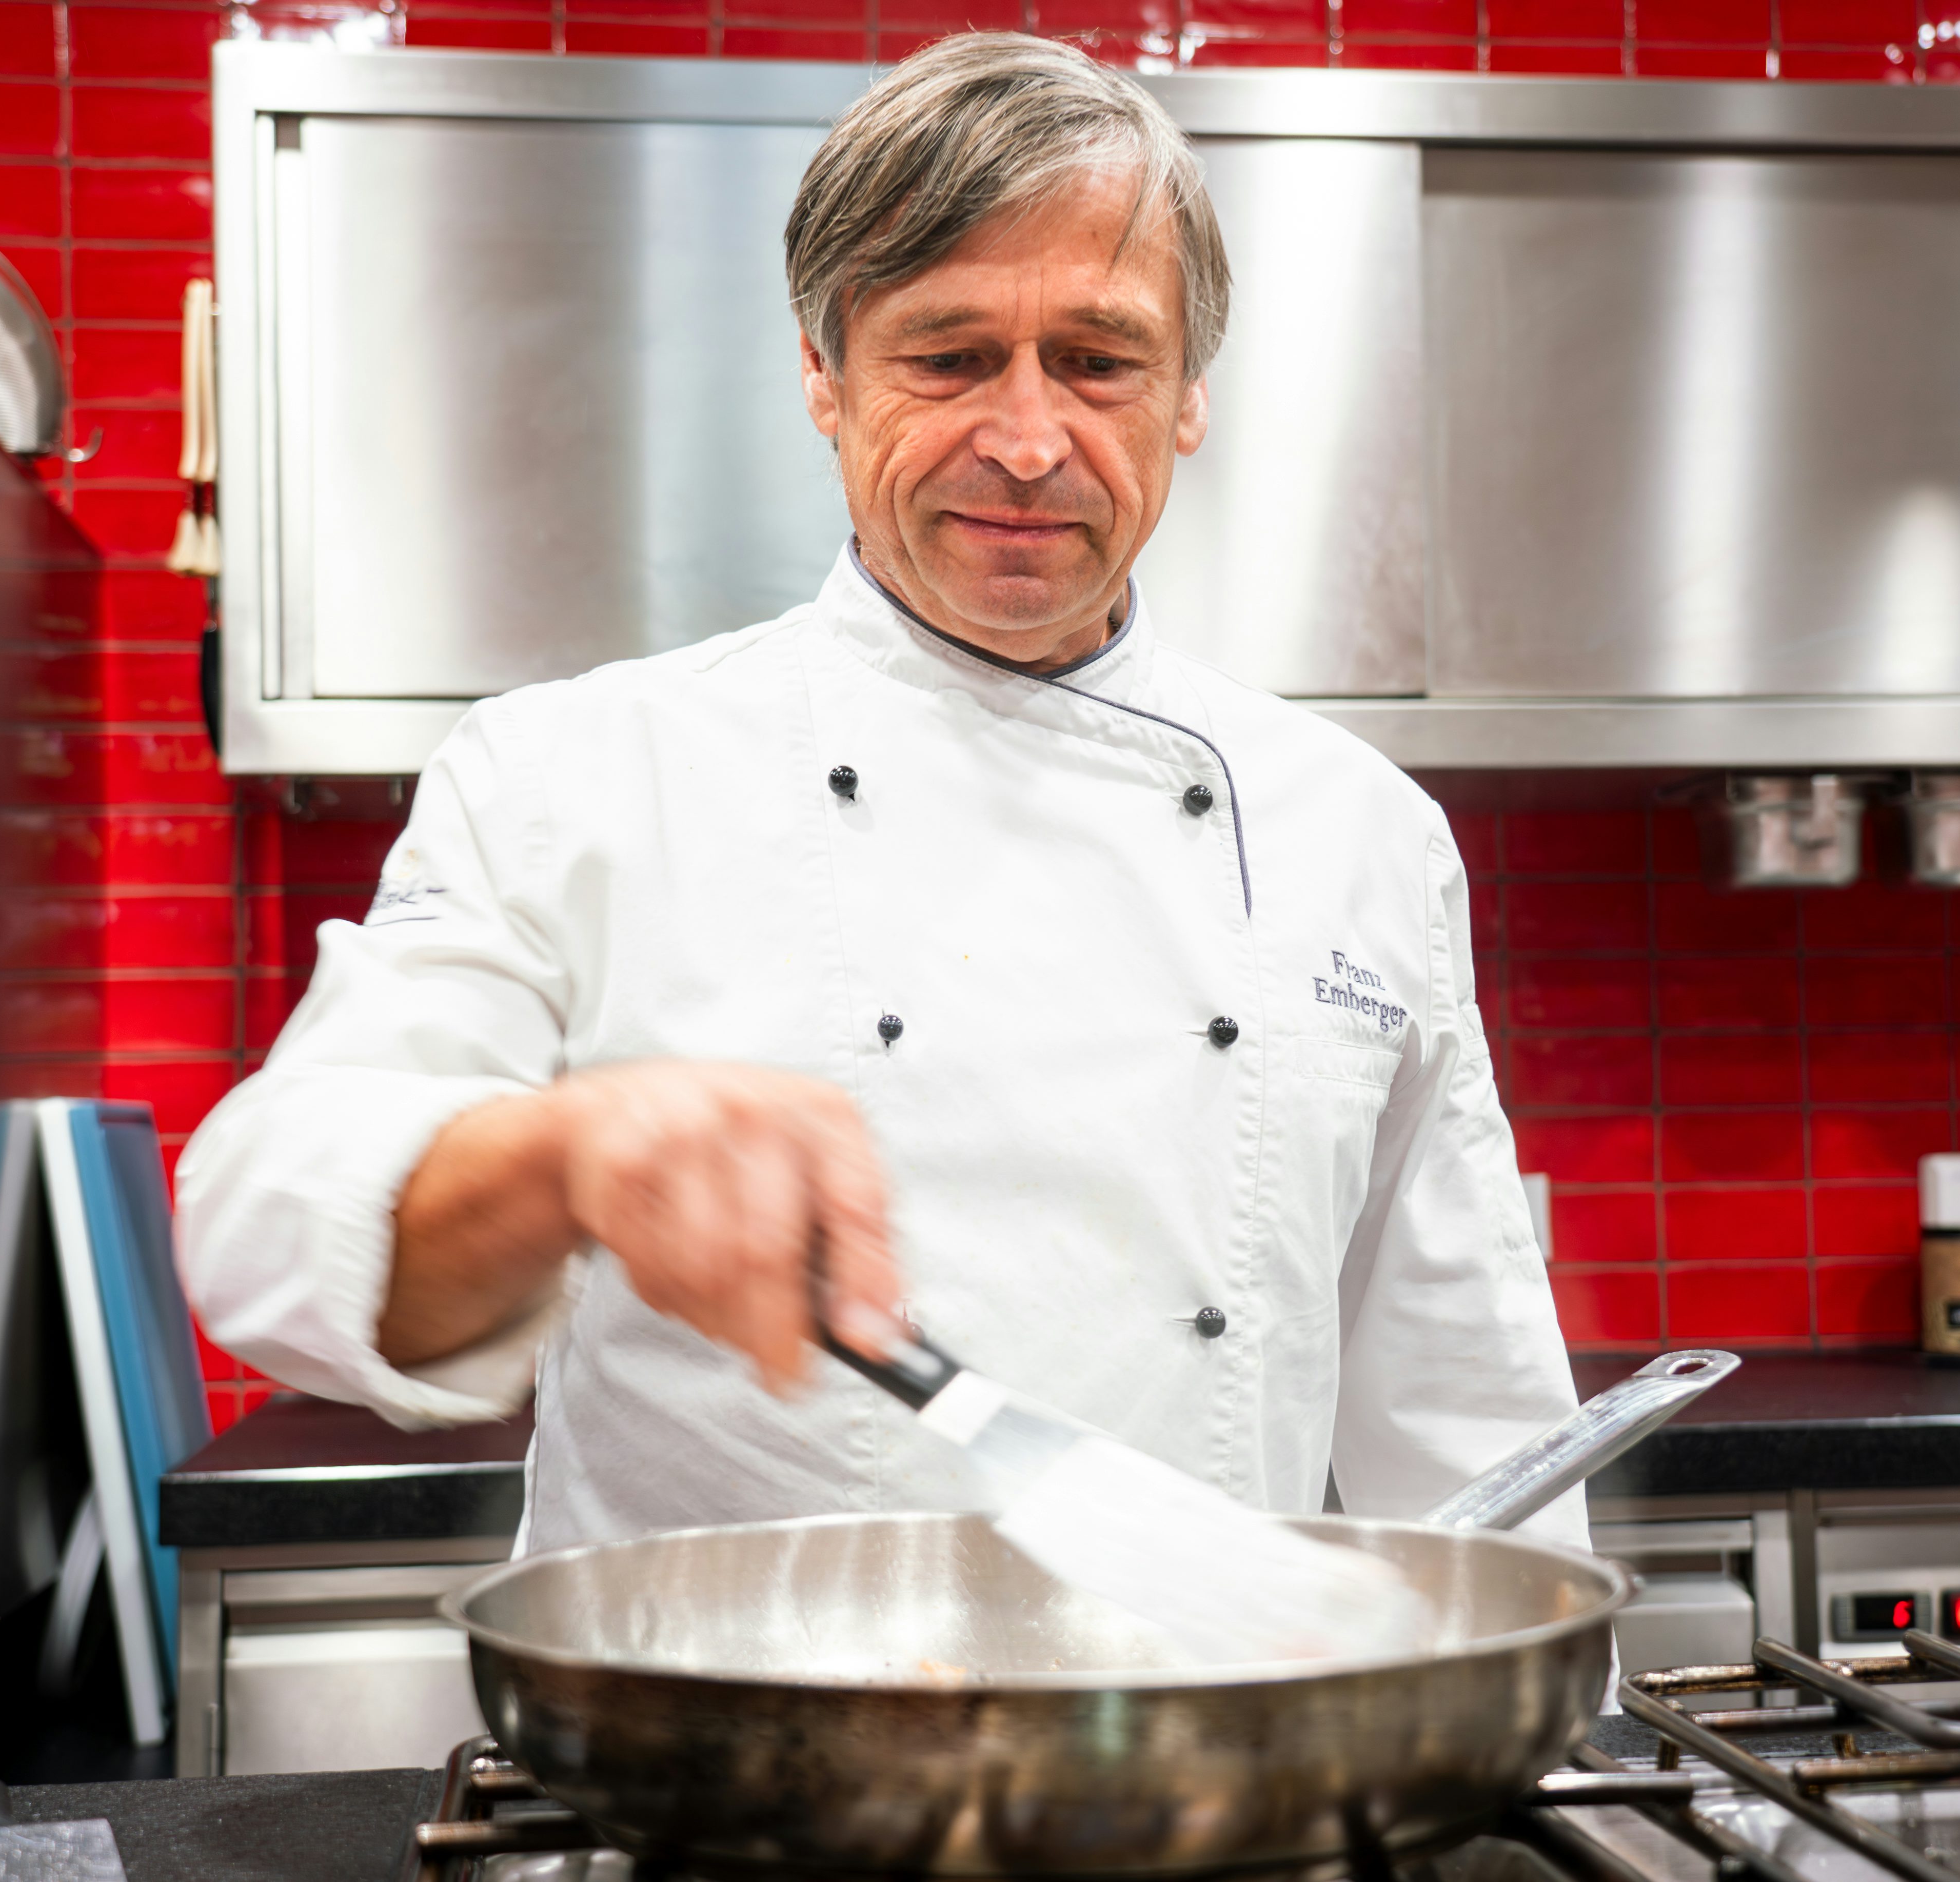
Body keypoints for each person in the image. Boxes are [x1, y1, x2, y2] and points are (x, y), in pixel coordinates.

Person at [175, 30, 1589, 1556]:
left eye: (1100, 361)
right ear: (824, 377)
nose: (1030, 442)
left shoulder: (1358, 831)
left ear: (1187, 396)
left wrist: (1531, 1702)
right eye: (950, 356)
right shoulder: (573, 776)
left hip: (1205, 1698)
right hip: (734, 1702)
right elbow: (269, 1228)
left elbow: (1470, 1413)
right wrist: (559, 1160)